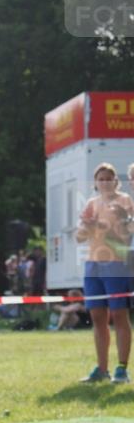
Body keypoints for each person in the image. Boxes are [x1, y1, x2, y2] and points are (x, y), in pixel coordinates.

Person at [75, 162, 134, 383]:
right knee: (97, 317)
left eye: (109, 178)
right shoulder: (91, 203)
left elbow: (130, 231)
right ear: (95, 183)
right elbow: (79, 237)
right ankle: (102, 369)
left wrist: (117, 223)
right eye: (101, 179)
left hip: (116, 264)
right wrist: (89, 227)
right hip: (93, 265)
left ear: (116, 181)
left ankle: (122, 368)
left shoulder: (125, 201)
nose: (105, 182)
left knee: (119, 315)